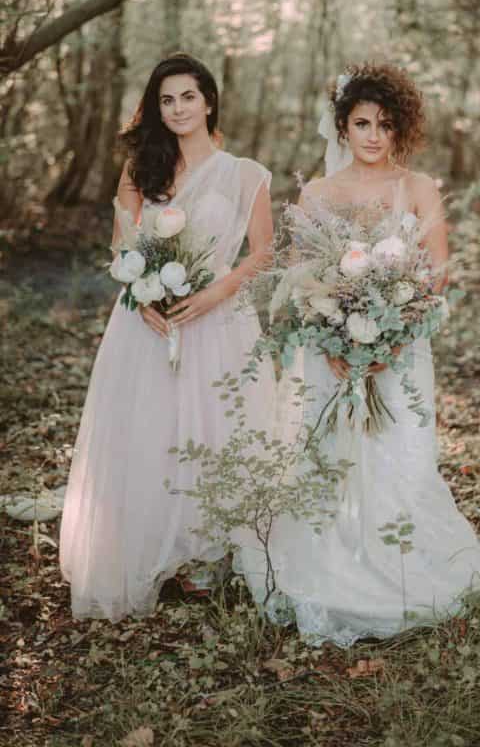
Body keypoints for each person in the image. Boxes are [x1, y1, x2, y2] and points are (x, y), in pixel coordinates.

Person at [252, 63, 480, 647]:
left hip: (400, 347)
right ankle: (336, 564)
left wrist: (390, 337)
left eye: (384, 125)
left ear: (399, 130)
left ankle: (400, 562)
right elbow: (298, 273)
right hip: (330, 352)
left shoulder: (417, 188)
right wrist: (333, 336)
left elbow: (437, 270)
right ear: (342, 127)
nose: (372, 135)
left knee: (398, 455)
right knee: (331, 454)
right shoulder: (316, 193)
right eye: (361, 123)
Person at [59, 52, 276, 620]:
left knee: (212, 426)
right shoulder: (142, 168)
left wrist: (213, 294)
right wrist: (142, 296)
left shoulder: (245, 174)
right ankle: (151, 547)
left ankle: (207, 555)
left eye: (188, 96)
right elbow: (121, 245)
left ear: (208, 101)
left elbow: (264, 253)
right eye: (166, 99)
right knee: (150, 427)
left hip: (218, 319)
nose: (178, 108)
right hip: (146, 322)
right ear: (157, 108)